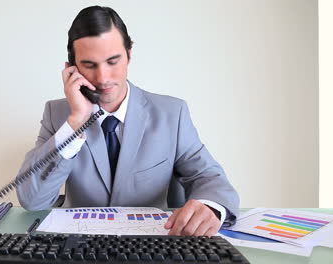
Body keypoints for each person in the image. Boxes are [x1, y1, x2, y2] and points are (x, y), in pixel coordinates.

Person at [16, 6, 239, 236]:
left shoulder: (172, 114)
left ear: (129, 55)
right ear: (72, 68)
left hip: (150, 245)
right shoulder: (58, 113)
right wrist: (75, 122)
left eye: (113, 61)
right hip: (80, 245)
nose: (103, 78)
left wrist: (210, 207)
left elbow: (210, 177)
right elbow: (32, 200)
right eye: (89, 65)